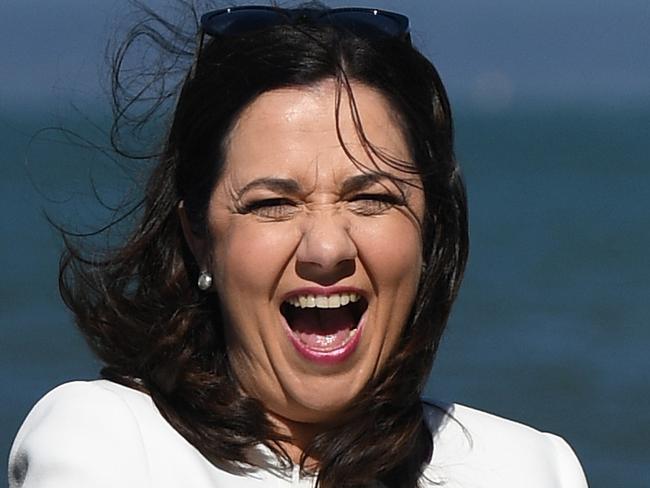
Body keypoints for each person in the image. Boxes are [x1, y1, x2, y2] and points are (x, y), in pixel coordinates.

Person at [8, 3, 589, 487]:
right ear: (198, 238)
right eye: (272, 204)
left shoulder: (530, 467)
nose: (327, 246)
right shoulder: (108, 442)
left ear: (429, 231)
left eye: (372, 199)